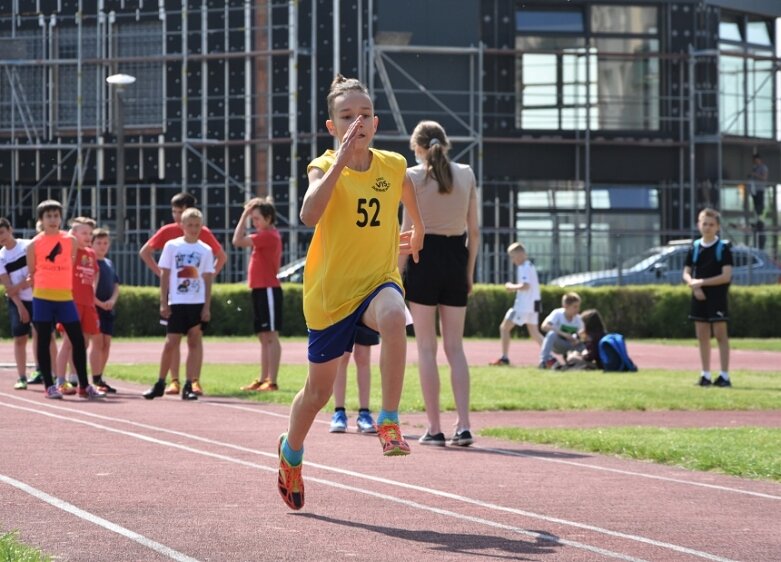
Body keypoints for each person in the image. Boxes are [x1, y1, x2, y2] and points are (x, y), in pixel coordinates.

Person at [276, 74, 424, 511]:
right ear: (331, 126)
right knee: (318, 394)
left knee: (397, 315)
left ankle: (390, 419)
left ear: (375, 123)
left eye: (363, 116)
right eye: (346, 116)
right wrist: (339, 162)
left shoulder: (393, 164)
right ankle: (291, 453)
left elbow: (407, 192)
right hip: (331, 294)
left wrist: (416, 228)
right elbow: (308, 214)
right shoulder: (323, 166)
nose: (356, 123)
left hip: (377, 281)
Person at [400, 120, 479, 448]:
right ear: (445, 143)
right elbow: (474, 231)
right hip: (455, 257)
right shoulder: (467, 173)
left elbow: (406, 233)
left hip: (423, 258)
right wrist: (469, 273)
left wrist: (395, 276)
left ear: (417, 147)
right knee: (455, 348)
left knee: (426, 349)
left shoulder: (413, 177)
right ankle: (464, 425)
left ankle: (434, 428)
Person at [139, 192, 226, 396]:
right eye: (189, 225)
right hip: (176, 300)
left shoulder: (204, 249)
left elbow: (207, 276)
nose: (194, 229)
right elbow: (164, 272)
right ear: (182, 225)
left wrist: (206, 306)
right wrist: (163, 301)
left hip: (196, 301)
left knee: (194, 341)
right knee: (171, 342)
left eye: (197, 225)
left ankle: (190, 383)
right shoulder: (172, 245)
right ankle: (162, 382)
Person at [25, 200, 105, 399]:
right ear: (41, 220)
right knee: (44, 340)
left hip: (65, 298)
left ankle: (84, 386)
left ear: (61, 218)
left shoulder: (70, 241)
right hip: (43, 297)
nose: (53, 220)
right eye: (48, 216)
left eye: (56, 215)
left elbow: (70, 262)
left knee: (78, 341)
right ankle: (50, 386)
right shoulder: (34, 244)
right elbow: (33, 271)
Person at [233, 197, 283, 393]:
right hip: (260, 289)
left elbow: (237, 240)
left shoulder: (268, 236)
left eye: (257, 219)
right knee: (263, 337)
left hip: (269, 288)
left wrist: (244, 214)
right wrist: (248, 214)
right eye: (252, 219)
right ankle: (264, 378)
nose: (254, 223)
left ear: (269, 218)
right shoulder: (263, 235)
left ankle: (272, 380)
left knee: (271, 335)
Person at [683, 208, 733, 388]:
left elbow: (726, 276)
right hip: (699, 297)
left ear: (718, 227)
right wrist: (694, 285)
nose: (707, 227)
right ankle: (705, 374)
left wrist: (701, 282)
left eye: (711, 224)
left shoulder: (723, 248)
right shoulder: (695, 247)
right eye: (704, 223)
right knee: (702, 335)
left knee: (720, 335)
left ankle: (725, 376)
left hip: (717, 298)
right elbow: (687, 273)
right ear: (698, 224)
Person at [55, 217, 100, 395]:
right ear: (73, 235)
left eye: (90, 233)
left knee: (84, 342)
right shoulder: (70, 252)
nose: (88, 236)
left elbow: (95, 273)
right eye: (84, 233)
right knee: (68, 342)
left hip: (88, 303)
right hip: (71, 302)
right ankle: (60, 380)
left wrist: (93, 290)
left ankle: (77, 378)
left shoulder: (91, 253)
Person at [0, 218, 47, 390]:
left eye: (2, 232)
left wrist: (28, 282)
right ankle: (21, 377)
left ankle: (43, 371)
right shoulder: (1, 257)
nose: (0, 238)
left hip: (39, 297)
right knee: (20, 338)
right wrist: (20, 305)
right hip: (18, 302)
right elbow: (9, 289)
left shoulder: (28, 245)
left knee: (43, 336)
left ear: (9, 229)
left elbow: (39, 270)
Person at [490, 242, 543, 366]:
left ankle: (504, 358)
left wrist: (511, 287)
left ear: (520, 255)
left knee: (504, 328)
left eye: (513, 257)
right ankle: (549, 356)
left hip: (523, 306)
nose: (512, 260)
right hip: (533, 304)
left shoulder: (524, 267)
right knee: (535, 333)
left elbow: (526, 286)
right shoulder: (530, 266)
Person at [329, 329, 378, 434]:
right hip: (342, 313)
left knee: (363, 356)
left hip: (362, 312)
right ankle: (339, 412)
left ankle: (364, 414)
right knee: (342, 356)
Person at [91, 228, 120, 393]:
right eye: (99, 243)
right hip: (95, 308)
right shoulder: (90, 262)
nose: (103, 246)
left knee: (106, 344)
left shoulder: (109, 263)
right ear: (92, 244)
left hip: (108, 308)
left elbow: (116, 285)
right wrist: (100, 303)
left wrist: (112, 301)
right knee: (98, 342)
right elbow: (88, 289)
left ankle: (100, 376)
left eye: (105, 243)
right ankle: (95, 379)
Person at [539, 292, 584, 369]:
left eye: (578, 307)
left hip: (572, 346)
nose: (578, 310)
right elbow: (544, 326)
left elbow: (583, 333)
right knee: (551, 334)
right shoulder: (558, 314)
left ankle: (576, 361)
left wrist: (577, 339)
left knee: (584, 345)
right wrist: (564, 334)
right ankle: (544, 361)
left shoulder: (578, 319)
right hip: (558, 344)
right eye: (575, 307)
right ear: (566, 306)